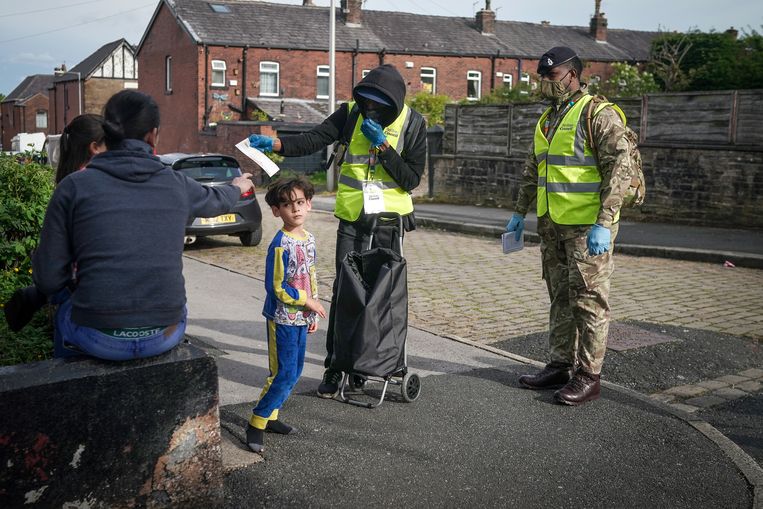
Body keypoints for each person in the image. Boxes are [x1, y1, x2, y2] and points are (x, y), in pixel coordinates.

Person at [31, 89, 255, 361]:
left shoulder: (73, 187)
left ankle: (67, 389)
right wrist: (238, 186)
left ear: (106, 133)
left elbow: (48, 279)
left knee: (64, 306)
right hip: (164, 333)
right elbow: (216, 200)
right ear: (153, 135)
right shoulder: (177, 183)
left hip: (96, 338)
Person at [247, 64, 428, 398]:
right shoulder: (350, 113)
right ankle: (337, 365)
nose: (370, 110)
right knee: (346, 295)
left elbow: (411, 180)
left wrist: (383, 149)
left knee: (383, 298)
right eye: (366, 103)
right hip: (352, 221)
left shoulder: (414, 124)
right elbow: (315, 138)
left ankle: (375, 364)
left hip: (389, 223)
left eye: (378, 106)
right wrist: (275, 145)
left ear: (395, 104)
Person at [506, 46, 633, 406]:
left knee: (589, 301)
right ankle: (560, 365)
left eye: (551, 76)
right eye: (541, 76)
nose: (545, 82)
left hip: (586, 228)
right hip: (552, 225)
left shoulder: (599, 114)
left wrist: (604, 222)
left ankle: (589, 376)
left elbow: (619, 170)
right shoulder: (547, 119)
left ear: (572, 75)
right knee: (559, 298)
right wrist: (519, 212)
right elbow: (534, 170)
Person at [4, 114, 107, 332]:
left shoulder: (67, 182)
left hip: (70, 281)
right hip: (89, 288)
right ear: (95, 147)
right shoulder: (95, 182)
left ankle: (35, 297)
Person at [246, 176, 327, 453]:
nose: (296, 209)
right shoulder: (280, 244)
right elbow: (276, 287)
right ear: (276, 211)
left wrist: (311, 312)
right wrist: (308, 302)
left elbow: (310, 276)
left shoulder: (309, 239)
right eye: (287, 204)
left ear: (310, 205)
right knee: (282, 373)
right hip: (281, 319)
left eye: (300, 202)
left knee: (295, 372)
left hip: (302, 316)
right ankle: (256, 422)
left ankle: (272, 417)